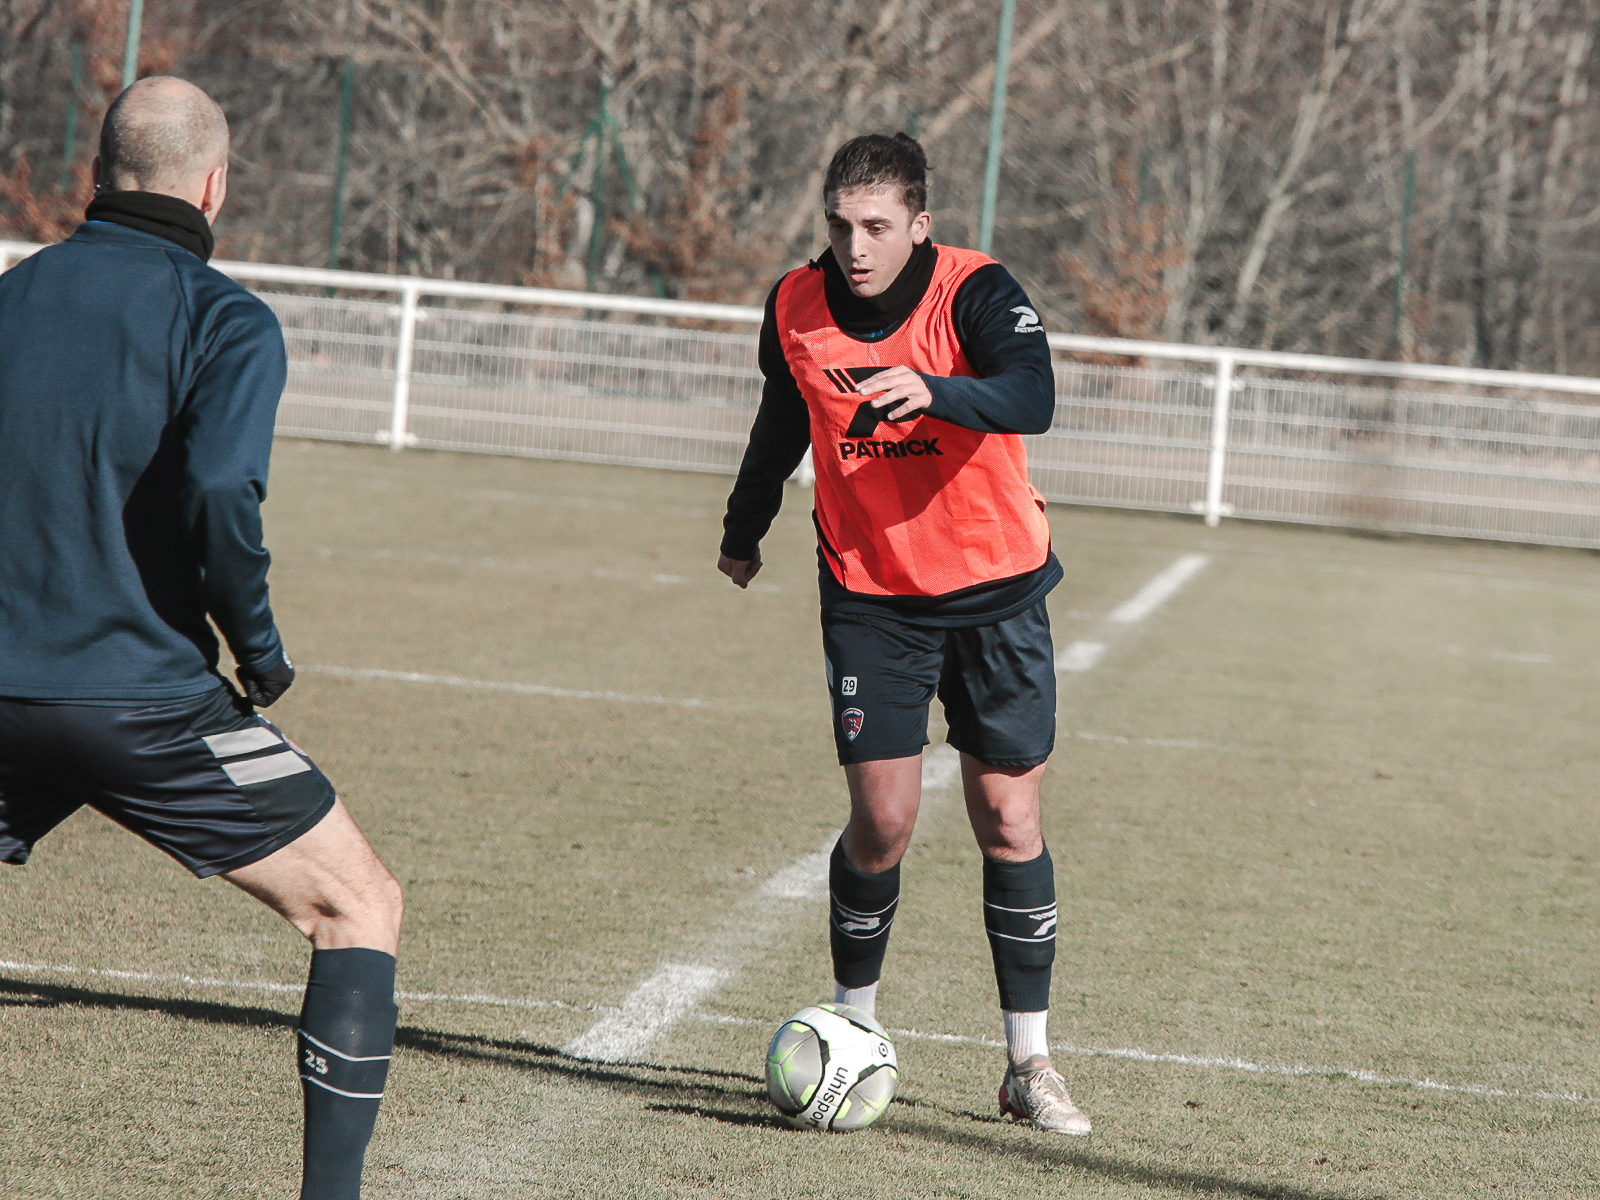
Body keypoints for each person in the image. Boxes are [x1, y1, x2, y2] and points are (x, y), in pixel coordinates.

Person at [0, 77, 403, 1198]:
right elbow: (222, 483)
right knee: (355, 904)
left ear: (95, 172)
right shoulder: (224, 317)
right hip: (147, 702)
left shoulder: (10, 299)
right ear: (215, 185)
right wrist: (257, 648)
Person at [718, 133, 1086, 1135]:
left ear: (919, 224)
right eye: (839, 227)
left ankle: (1027, 1063)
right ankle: (853, 1029)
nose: (855, 247)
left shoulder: (974, 290)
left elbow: (1033, 395)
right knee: (881, 823)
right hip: (870, 595)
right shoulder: (795, 304)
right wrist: (742, 526)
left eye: (876, 226)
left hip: (996, 592)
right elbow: (779, 416)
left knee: (1008, 821)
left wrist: (938, 391)